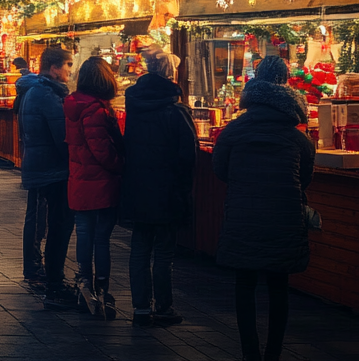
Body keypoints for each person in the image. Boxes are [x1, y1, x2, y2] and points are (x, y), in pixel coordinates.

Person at [214, 56, 314, 361]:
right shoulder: (298, 137)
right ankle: (273, 353)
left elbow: (220, 170)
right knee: (278, 286)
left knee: (244, 286)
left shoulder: (233, 131)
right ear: (285, 84)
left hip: (243, 216)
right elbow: (306, 178)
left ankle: (250, 353)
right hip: (284, 220)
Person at [122, 47, 195, 327]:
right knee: (164, 251)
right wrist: (183, 188)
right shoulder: (176, 111)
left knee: (139, 248)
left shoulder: (135, 106)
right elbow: (187, 154)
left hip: (138, 187)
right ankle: (163, 307)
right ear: (170, 74)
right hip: (167, 190)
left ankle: (141, 307)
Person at [19, 47, 78, 309]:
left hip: (41, 166)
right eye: (67, 64)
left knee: (53, 222)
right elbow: (62, 138)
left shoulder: (36, 91)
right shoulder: (47, 95)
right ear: (54, 68)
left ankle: (51, 279)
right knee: (59, 225)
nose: (70, 70)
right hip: (52, 170)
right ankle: (54, 284)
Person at [65, 57, 124, 319]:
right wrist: (119, 165)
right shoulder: (96, 111)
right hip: (100, 182)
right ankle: (100, 288)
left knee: (84, 233)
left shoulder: (74, 105)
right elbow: (101, 150)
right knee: (100, 238)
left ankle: (84, 285)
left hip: (79, 180)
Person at [13, 54, 48, 288]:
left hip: (34, 161)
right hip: (45, 165)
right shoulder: (42, 94)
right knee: (41, 217)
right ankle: (38, 269)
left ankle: (35, 266)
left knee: (36, 215)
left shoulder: (26, 92)